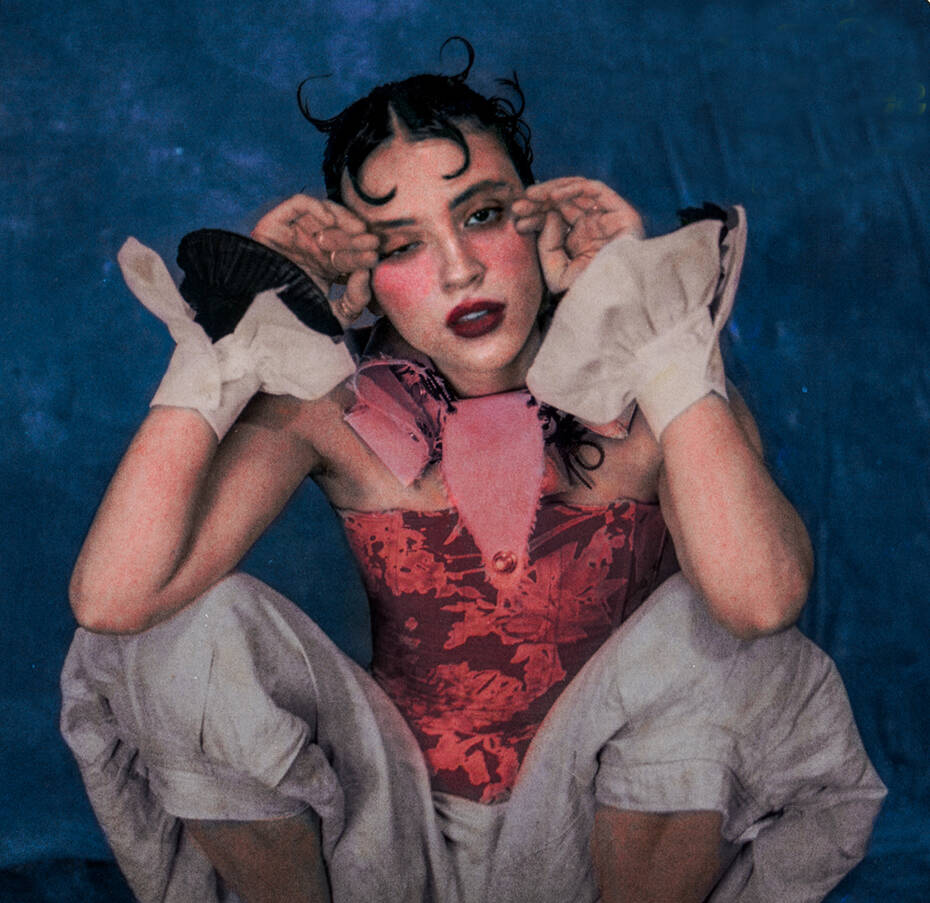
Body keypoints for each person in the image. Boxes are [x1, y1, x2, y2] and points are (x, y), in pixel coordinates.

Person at [61, 41, 884, 903]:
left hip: (593, 849)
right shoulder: (327, 411)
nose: (459, 269)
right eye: (401, 244)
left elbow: (763, 602)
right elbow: (113, 600)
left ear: (540, 218)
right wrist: (238, 336)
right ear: (364, 278)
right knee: (178, 634)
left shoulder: (656, 397)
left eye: (484, 214)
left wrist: (654, 332)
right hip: (386, 845)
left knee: (713, 630)